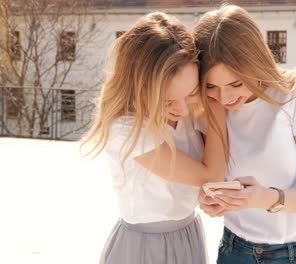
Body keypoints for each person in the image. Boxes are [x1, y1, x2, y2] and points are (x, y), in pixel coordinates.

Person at [194, 5, 296, 264]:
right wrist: (210, 199)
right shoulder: (211, 106)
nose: (225, 97)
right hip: (235, 249)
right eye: (212, 85)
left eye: (235, 84)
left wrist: (267, 198)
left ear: (255, 62)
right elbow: (211, 177)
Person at [80, 11, 227, 264]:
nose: (182, 109)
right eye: (167, 100)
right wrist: (216, 105)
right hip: (144, 247)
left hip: (188, 234)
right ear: (140, 86)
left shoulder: (190, 111)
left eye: (191, 93)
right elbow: (210, 175)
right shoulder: (126, 129)